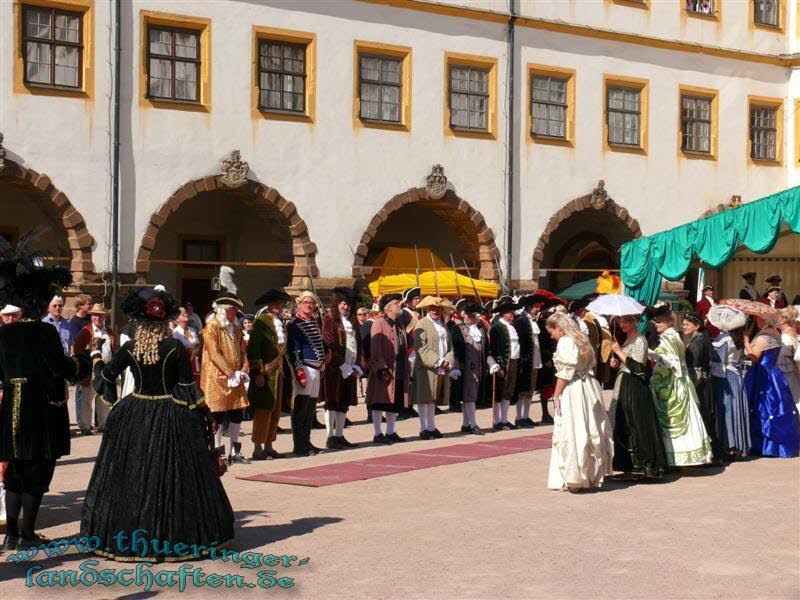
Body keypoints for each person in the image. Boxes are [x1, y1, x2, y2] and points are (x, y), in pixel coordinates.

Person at [82, 287, 234, 561]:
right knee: (172, 475)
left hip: (134, 412)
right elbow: (188, 387)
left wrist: (95, 357)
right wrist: (206, 414)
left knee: (132, 473)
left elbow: (106, 374)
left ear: (140, 322)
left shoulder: (130, 348)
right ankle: (172, 535)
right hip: (170, 413)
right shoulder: (174, 347)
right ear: (166, 323)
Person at [0, 237, 92, 551]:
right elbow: (61, 368)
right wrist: (82, 361)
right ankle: (26, 534)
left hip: (11, 403)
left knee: (14, 470)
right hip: (39, 409)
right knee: (37, 471)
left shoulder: (3, 332)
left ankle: (11, 533)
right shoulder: (44, 331)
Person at [545, 312, 614, 491]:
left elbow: (566, 372)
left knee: (573, 430)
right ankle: (590, 475)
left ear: (559, 328)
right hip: (588, 386)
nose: (550, 335)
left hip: (574, 389)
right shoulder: (582, 339)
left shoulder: (566, 341)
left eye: (551, 331)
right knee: (590, 428)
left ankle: (574, 477)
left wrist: (556, 394)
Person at [648, 306, 713, 467]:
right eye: (656, 321)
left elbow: (672, 364)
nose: (657, 324)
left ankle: (675, 458)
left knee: (672, 420)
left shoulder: (669, 338)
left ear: (670, 321)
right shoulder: (673, 336)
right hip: (678, 383)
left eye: (661, 321)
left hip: (673, 384)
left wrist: (651, 356)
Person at [201, 268, 250, 465]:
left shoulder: (236, 328)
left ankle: (234, 452)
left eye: (235, 310)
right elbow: (214, 353)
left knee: (237, 412)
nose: (234, 313)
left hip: (236, 377)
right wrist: (230, 373)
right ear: (222, 309)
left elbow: (242, 351)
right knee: (218, 415)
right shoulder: (211, 327)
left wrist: (244, 370)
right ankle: (218, 452)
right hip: (218, 378)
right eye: (232, 309)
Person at [610, 315, 668, 479]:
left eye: (626, 321)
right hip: (623, 383)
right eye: (621, 322)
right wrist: (617, 362)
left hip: (634, 387)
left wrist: (619, 352)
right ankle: (628, 465)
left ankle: (644, 465)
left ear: (635, 322)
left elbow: (638, 368)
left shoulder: (640, 340)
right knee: (623, 423)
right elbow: (626, 363)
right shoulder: (627, 338)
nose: (622, 325)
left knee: (635, 424)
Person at [744, 315, 800, 458]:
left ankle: (765, 446)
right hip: (775, 373)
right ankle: (780, 446)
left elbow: (754, 357)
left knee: (764, 407)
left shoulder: (763, 337)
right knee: (778, 405)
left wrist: (746, 340)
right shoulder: (776, 334)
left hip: (762, 374)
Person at [248, 289, 292, 461]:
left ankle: (269, 445)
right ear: (268, 305)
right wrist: (257, 372)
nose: (278, 307)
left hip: (278, 372)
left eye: (280, 304)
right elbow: (253, 349)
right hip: (265, 372)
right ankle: (258, 448)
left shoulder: (279, 321)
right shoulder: (261, 322)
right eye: (275, 304)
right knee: (263, 410)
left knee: (275, 411)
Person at [321, 287, 363, 450]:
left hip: (351, 367)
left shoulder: (352, 321)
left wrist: (357, 365)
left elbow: (358, 344)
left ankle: (339, 435)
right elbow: (329, 345)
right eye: (344, 304)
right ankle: (330, 437)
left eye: (349, 305)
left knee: (344, 402)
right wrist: (342, 365)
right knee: (332, 401)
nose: (346, 307)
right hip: (335, 368)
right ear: (337, 304)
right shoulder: (330, 319)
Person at [707, 305, 751, 459]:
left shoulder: (723, 339)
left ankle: (729, 445)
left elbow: (718, 363)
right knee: (736, 408)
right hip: (737, 376)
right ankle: (738, 444)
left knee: (727, 410)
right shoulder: (737, 337)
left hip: (726, 378)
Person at [365, 294, 410, 443]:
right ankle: (378, 433)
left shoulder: (399, 324)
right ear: (387, 308)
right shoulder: (378, 323)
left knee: (394, 402)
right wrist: (381, 367)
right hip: (384, 369)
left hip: (398, 368)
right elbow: (375, 347)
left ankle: (390, 432)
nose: (399, 306)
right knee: (379, 401)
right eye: (396, 303)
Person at [288, 290, 326, 456]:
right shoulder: (295, 324)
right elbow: (295, 350)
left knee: (310, 409)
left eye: (311, 303)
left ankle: (307, 442)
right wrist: (300, 373)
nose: (309, 305)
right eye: (306, 303)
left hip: (316, 368)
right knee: (301, 409)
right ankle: (299, 445)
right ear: (299, 304)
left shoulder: (313, 321)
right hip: (305, 367)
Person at [683, 313, 725, 462]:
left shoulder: (697, 343)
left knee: (703, 417)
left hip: (699, 384)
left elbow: (693, 366)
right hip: (706, 382)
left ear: (697, 326)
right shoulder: (703, 340)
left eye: (687, 324)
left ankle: (712, 454)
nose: (684, 327)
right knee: (707, 416)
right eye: (683, 324)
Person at [413, 296, 457, 439]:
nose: (435, 311)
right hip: (427, 367)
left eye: (438, 309)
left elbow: (450, 347)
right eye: (432, 309)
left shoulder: (443, 325)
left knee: (433, 399)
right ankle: (423, 428)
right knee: (424, 398)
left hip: (441, 367)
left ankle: (431, 427)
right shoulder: (421, 324)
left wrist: (448, 361)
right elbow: (421, 347)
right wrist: (438, 361)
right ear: (427, 309)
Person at [71, 304, 115, 435]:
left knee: (103, 399)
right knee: (86, 398)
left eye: (100, 315)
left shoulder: (110, 332)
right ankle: (85, 425)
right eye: (95, 315)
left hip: (105, 370)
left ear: (105, 316)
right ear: (91, 316)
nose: (98, 317)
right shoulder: (86, 331)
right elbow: (77, 350)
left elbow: (113, 350)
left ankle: (103, 424)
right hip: (89, 371)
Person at [450, 301, 488, 435]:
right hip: (465, 367)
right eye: (469, 315)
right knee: (469, 396)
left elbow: (486, 349)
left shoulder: (480, 329)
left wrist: (492, 363)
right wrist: (455, 366)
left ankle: (466, 424)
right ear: (464, 315)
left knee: (471, 396)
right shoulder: (457, 328)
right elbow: (454, 349)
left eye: (474, 315)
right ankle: (473, 424)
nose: (472, 318)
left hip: (479, 367)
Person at [487, 299, 521, 431]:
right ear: (503, 313)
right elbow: (494, 348)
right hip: (503, 363)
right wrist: (499, 365)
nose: (512, 314)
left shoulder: (512, 326)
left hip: (513, 361)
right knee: (500, 391)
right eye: (510, 312)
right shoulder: (497, 327)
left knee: (508, 391)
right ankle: (497, 421)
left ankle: (505, 419)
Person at [513, 294, 544, 428]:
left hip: (535, 358)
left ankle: (526, 415)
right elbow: (521, 341)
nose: (538, 309)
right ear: (530, 307)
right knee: (522, 389)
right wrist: (523, 357)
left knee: (531, 389)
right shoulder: (521, 321)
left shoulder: (535, 320)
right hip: (526, 359)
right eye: (536, 307)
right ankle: (519, 417)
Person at [777, 307, 800, 407]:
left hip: (786, 372)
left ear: (784, 319)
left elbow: (784, 355)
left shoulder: (786, 336)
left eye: (778, 317)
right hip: (791, 371)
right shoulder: (790, 332)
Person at [173, 307, 201, 383]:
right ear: (177, 319)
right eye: (183, 314)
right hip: (183, 362)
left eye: (186, 313)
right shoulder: (175, 332)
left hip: (194, 361)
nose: (186, 314)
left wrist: (196, 349)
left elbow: (197, 344)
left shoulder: (192, 330)